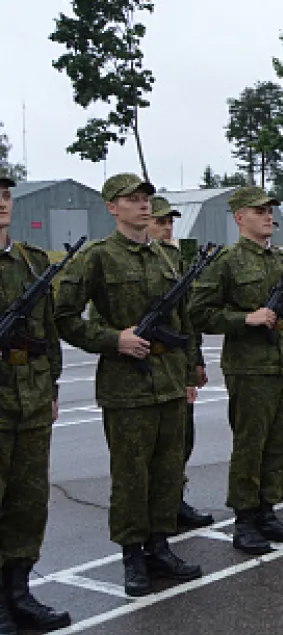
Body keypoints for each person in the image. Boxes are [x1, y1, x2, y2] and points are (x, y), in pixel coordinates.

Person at [54, 173, 203, 596]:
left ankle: (160, 546)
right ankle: (132, 556)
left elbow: (184, 319)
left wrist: (192, 368)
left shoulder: (166, 257)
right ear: (112, 207)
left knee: (167, 470)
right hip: (127, 385)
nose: (142, 206)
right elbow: (63, 317)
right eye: (132, 199)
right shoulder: (97, 258)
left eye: (146, 200)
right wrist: (112, 339)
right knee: (131, 475)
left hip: (170, 380)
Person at [188, 187, 283, 555]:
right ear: (240, 218)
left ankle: (267, 510)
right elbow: (199, 312)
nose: (268, 216)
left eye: (270, 210)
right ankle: (245, 521)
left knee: (279, 445)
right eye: (259, 211)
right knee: (250, 447)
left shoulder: (280, 262)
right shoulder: (226, 263)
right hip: (250, 369)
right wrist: (246, 318)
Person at [0, 174, 70, 632]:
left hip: (30, 398)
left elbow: (47, 334)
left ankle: (19, 592)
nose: (1, 203)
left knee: (28, 502)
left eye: (5, 196)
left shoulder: (31, 261)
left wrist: (53, 390)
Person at [147, 198, 214, 531]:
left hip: (177, 364)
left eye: (170, 222)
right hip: (143, 368)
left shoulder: (176, 260)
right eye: (160, 222)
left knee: (181, 441)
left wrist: (195, 363)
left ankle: (175, 499)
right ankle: (154, 510)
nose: (166, 227)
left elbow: (188, 321)